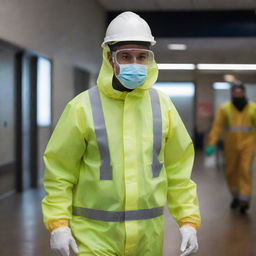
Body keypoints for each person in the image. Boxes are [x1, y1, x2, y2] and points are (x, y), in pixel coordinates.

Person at [42, 11, 201, 256]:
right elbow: (60, 171)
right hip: (94, 235)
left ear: (150, 59)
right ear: (109, 58)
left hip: (149, 237)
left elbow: (179, 171)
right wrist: (58, 224)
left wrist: (188, 221)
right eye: (125, 56)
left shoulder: (163, 106)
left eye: (142, 57)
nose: (134, 64)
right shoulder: (82, 107)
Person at [206, 83, 256, 214]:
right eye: (235, 93)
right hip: (231, 147)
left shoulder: (253, 109)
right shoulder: (225, 109)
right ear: (232, 94)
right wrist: (212, 143)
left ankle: (245, 200)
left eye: (240, 92)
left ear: (244, 93)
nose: (238, 95)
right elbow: (217, 126)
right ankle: (235, 196)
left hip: (248, 146)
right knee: (231, 172)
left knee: (245, 170)